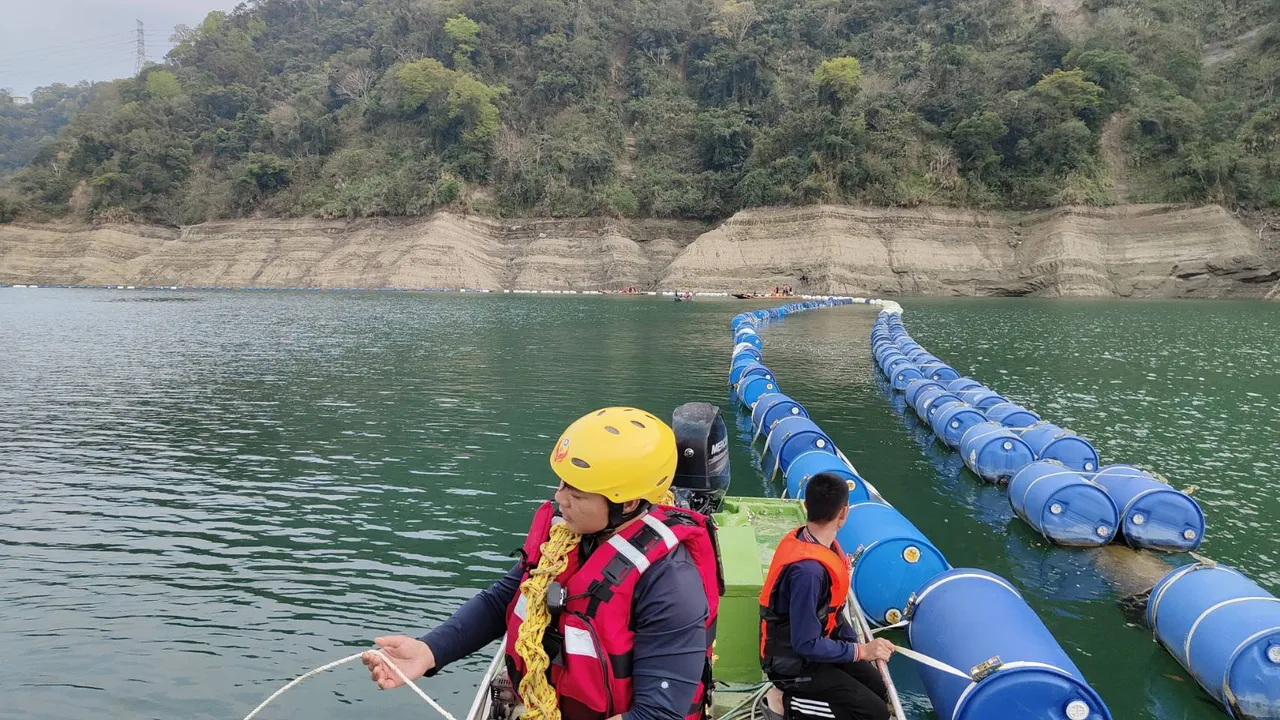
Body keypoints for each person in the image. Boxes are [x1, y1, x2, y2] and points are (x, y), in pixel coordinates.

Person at [362, 407, 722, 720]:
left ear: (627, 504)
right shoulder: (562, 535)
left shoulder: (671, 582)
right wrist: (429, 651)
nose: (559, 498)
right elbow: (505, 597)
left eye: (577, 493)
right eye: (562, 483)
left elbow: (657, 713)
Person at [758, 473, 895, 720]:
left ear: (806, 505)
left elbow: (831, 611)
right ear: (843, 514)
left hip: (818, 648)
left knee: (878, 688)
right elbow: (805, 644)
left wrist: (856, 645)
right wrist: (862, 651)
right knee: (874, 713)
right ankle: (782, 701)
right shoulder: (808, 573)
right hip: (794, 665)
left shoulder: (817, 545)